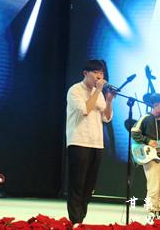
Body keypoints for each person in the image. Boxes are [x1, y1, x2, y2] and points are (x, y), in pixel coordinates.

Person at [65, 59, 115, 224]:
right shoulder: (75, 90)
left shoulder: (98, 93)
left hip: (96, 143)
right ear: (85, 73)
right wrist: (98, 90)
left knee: (89, 185)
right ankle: (75, 220)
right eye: (96, 72)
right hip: (79, 141)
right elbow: (85, 110)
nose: (99, 76)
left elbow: (106, 118)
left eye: (101, 73)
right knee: (77, 183)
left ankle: (80, 219)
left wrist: (109, 101)